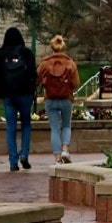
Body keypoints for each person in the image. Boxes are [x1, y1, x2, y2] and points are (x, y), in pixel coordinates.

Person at [0, 26, 36, 171]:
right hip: (24, 93)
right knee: (26, 125)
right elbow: (33, 74)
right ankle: (24, 154)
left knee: (11, 126)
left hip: (7, 95)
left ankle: (13, 161)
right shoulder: (27, 53)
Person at [36, 34, 79, 164]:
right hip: (66, 98)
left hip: (50, 98)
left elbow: (36, 79)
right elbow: (76, 83)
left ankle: (57, 158)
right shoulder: (70, 63)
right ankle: (65, 149)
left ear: (52, 48)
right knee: (66, 125)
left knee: (55, 128)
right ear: (63, 48)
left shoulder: (44, 63)